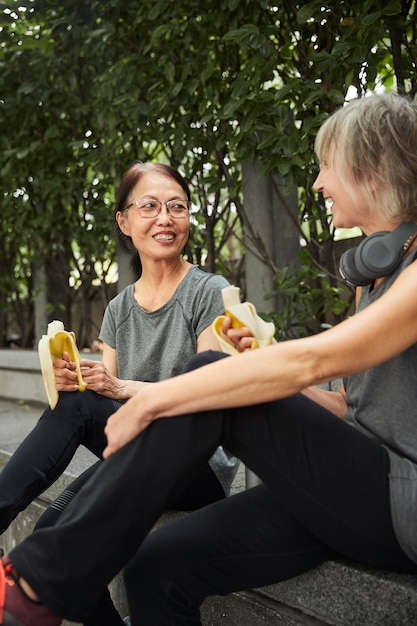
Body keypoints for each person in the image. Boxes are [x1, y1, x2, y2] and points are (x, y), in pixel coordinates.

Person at [2, 91, 417, 626]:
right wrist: (267, 368)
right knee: (155, 566)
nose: (317, 183)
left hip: (398, 502)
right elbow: (346, 407)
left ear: (373, 169)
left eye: (326, 167)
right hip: (346, 487)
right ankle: (40, 577)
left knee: (213, 375)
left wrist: (158, 399)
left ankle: (34, 583)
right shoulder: (375, 277)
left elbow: (315, 360)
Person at [0, 161, 239, 626]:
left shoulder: (210, 292)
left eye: (177, 207)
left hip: (198, 465)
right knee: (51, 536)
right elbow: (102, 408)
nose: (165, 218)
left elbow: (209, 392)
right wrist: (76, 379)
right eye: (149, 206)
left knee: (82, 412)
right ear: (125, 222)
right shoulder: (118, 308)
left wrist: (114, 387)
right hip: (136, 459)